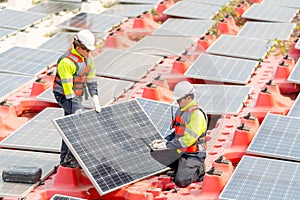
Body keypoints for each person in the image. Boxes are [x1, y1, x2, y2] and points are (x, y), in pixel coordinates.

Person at [52, 29, 101, 166]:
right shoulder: (66, 62)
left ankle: (65, 160)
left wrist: (95, 95)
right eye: (86, 50)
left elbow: (91, 78)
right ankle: (70, 158)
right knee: (77, 123)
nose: (89, 53)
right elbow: (68, 91)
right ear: (78, 47)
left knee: (70, 125)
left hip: (76, 93)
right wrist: (78, 108)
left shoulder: (87, 58)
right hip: (64, 95)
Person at [150, 81, 208, 188]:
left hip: (193, 155)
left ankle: (199, 169)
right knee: (155, 151)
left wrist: (167, 145)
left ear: (188, 98)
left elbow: (187, 140)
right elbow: (176, 132)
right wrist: (164, 141)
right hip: (180, 151)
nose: (177, 103)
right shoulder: (180, 111)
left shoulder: (196, 115)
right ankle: (180, 168)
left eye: (179, 100)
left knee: (181, 182)